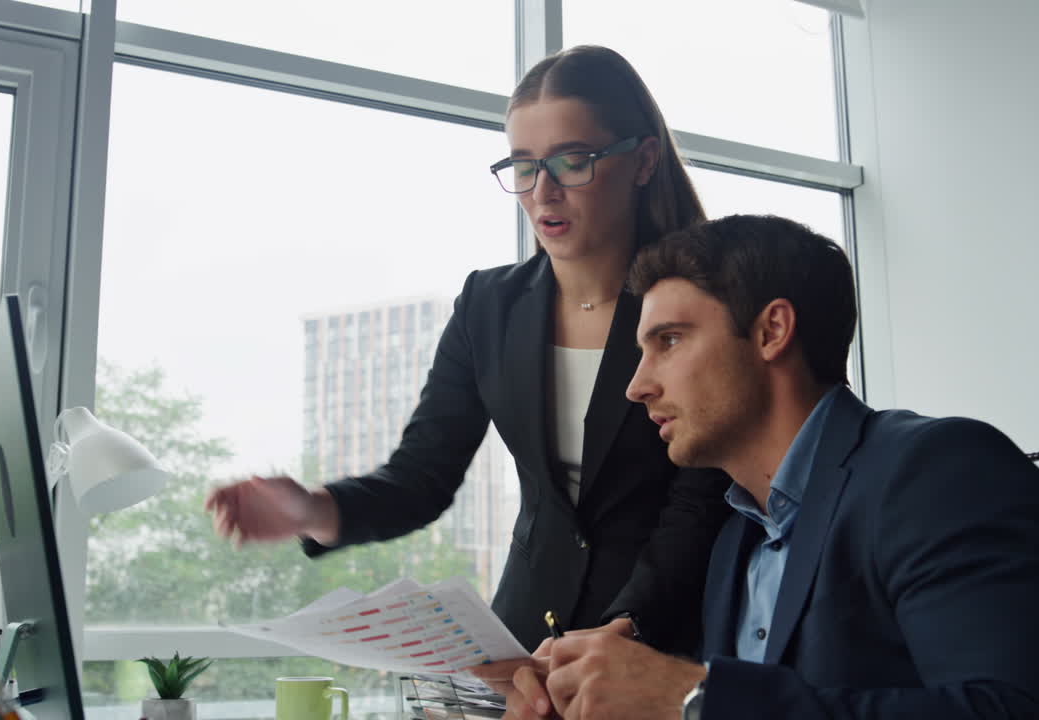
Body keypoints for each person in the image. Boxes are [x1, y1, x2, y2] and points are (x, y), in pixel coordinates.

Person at [203, 46, 731, 655]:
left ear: (643, 161)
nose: (543, 191)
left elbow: (702, 500)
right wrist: (312, 510)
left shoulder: (701, 301)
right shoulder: (490, 305)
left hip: (663, 637)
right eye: (524, 165)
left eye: (573, 160)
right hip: (524, 640)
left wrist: (625, 632)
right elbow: (421, 477)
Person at [491, 214, 1039, 719]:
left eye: (669, 340)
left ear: (772, 331)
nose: (637, 385)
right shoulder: (736, 538)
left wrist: (693, 698)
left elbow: (1020, 710)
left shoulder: (940, 473)